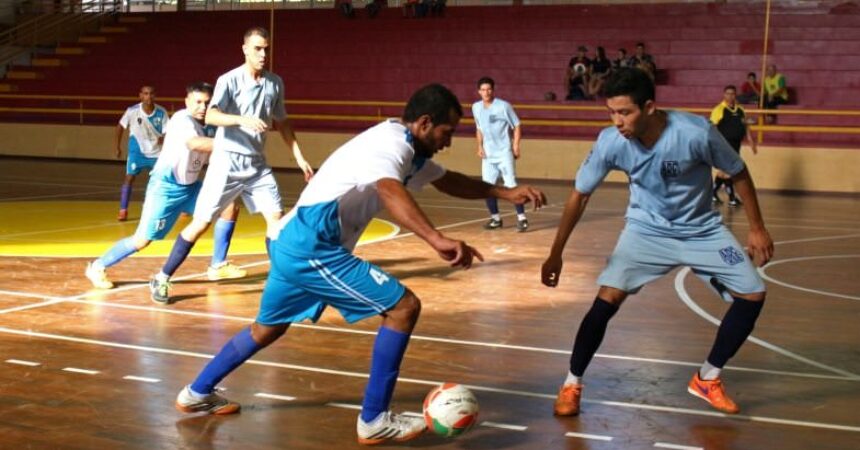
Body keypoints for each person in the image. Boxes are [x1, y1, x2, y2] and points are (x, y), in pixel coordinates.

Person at [173, 84, 547, 445]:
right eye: (447, 132)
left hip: (293, 241)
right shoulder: (391, 144)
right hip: (311, 245)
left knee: (265, 330)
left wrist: (503, 192)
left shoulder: (412, 152)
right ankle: (374, 420)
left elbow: (449, 182)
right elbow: (389, 189)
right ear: (426, 123)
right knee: (403, 308)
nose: (449, 142)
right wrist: (436, 238)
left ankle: (196, 392)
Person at [542, 68, 773, 417]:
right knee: (606, 300)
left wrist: (757, 228)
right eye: (611, 112)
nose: (617, 121)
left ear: (649, 107)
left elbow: (738, 171)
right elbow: (580, 196)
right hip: (645, 231)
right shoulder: (611, 141)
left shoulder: (695, 132)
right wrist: (555, 253)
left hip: (702, 230)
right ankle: (571, 384)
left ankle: (707, 378)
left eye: (625, 112)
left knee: (753, 292)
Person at [148, 27, 314, 304]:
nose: (263, 54)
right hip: (226, 163)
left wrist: (298, 156)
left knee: (277, 222)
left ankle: (283, 282)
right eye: (258, 48)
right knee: (200, 224)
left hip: (257, 166)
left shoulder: (275, 83)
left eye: (266, 49)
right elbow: (211, 116)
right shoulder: (229, 80)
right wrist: (241, 119)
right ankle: (162, 277)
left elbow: (283, 122)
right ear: (245, 49)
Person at [85, 83, 247, 289]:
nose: (203, 107)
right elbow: (195, 143)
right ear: (187, 102)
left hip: (190, 187)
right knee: (142, 240)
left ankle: (218, 264)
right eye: (198, 102)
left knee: (229, 208)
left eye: (207, 102)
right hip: (166, 187)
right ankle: (97, 266)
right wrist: (235, 145)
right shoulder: (181, 119)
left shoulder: (211, 124)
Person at [471, 77, 528, 232]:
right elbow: (479, 128)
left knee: (511, 185)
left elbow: (516, 125)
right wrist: (479, 146)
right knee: (487, 188)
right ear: (478, 92)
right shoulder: (476, 107)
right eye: (483, 90)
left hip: (504, 153)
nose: (486, 92)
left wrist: (515, 146)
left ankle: (522, 218)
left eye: (488, 89)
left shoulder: (503, 106)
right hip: (488, 156)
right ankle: (496, 219)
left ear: (493, 90)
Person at [115, 85, 169, 221]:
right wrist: (117, 146)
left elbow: (167, 132)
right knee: (129, 177)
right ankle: (123, 209)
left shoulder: (162, 112)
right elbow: (120, 127)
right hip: (136, 151)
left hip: (156, 152)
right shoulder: (132, 111)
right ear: (140, 96)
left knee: (158, 180)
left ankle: (150, 207)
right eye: (145, 94)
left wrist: (166, 142)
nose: (148, 96)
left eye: (151, 93)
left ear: (155, 95)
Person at [710, 85, 758, 207]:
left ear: (735, 95)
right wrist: (716, 143)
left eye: (733, 94)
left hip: (736, 144)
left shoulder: (740, 110)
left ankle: (712, 193)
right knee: (729, 170)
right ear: (724, 95)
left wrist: (751, 140)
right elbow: (713, 127)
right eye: (728, 93)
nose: (730, 96)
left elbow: (745, 125)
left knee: (724, 171)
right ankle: (731, 198)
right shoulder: (719, 109)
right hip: (725, 144)